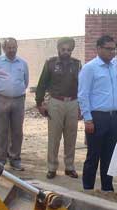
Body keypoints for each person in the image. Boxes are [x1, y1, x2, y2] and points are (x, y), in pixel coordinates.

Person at [78, 35, 117, 192]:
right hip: (97, 117)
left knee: (109, 155)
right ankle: (88, 188)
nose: (112, 52)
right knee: (93, 155)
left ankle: (107, 188)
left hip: (113, 117)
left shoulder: (113, 67)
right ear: (98, 49)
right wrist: (88, 119)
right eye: (109, 49)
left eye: (113, 49)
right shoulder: (90, 68)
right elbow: (83, 94)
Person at [35, 37, 82, 179]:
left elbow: (82, 86)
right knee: (54, 137)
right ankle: (52, 167)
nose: (66, 52)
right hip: (56, 102)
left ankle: (69, 166)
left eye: (69, 50)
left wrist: (82, 106)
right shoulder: (50, 64)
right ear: (58, 49)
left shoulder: (77, 64)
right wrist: (39, 103)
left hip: (73, 103)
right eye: (63, 49)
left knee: (71, 136)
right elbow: (42, 84)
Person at [0, 37, 29, 171]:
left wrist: (15, 92)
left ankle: (15, 158)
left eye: (14, 47)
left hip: (18, 100)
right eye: (9, 48)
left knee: (17, 130)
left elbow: (26, 81)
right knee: (0, 130)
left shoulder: (23, 63)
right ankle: (0, 158)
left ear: (17, 47)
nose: (11, 50)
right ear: (4, 49)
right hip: (1, 99)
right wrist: (1, 93)